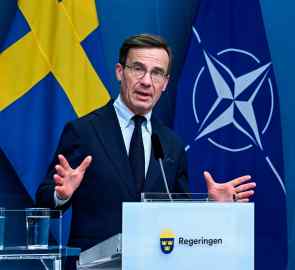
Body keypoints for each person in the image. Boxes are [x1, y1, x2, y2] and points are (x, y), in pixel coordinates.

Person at [36, 34, 256, 253]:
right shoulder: (83, 132)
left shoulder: (171, 144)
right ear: (120, 72)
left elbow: (181, 218)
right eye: (138, 69)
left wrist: (211, 207)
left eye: (157, 73)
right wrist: (61, 195)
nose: (146, 81)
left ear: (165, 83)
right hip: (94, 264)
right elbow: (43, 201)